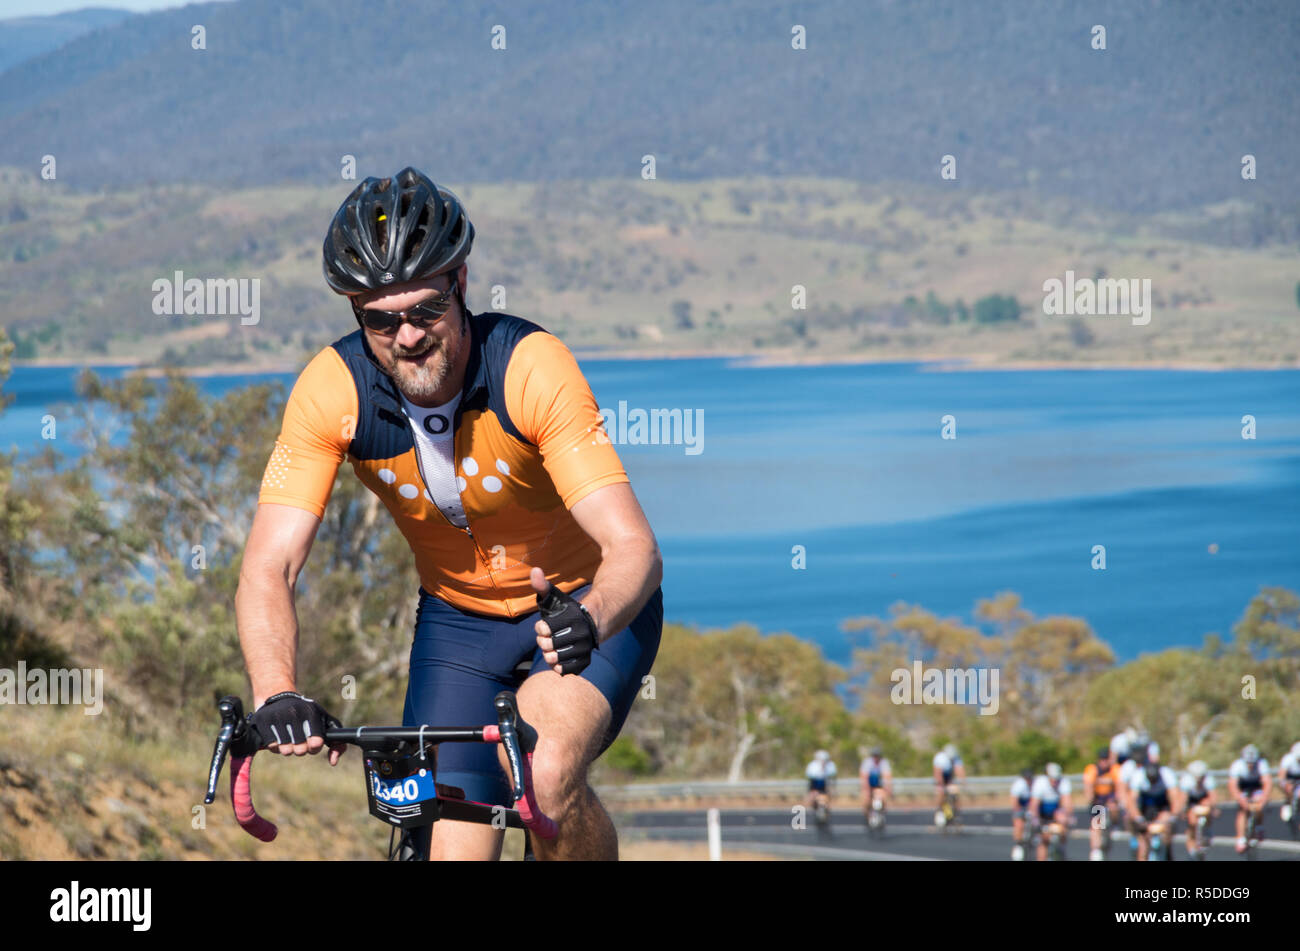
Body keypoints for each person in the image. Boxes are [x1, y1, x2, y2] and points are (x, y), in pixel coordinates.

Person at [235, 167, 664, 861]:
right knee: (445, 844)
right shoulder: (330, 391)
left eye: (425, 310)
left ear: (460, 284)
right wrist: (276, 690)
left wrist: (593, 615)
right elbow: (269, 565)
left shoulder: (529, 367)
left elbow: (635, 548)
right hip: (458, 632)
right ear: (356, 314)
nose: (407, 336)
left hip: (579, 610)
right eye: (381, 319)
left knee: (546, 776)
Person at [1129, 758, 1182, 860]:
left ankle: (1166, 849)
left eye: (1154, 779)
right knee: (1143, 844)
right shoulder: (1138, 776)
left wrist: (1173, 817)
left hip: (1162, 806)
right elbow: (1131, 801)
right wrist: (1138, 818)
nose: (1152, 782)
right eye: (1150, 779)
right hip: (1145, 807)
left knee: (1166, 826)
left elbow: (1175, 798)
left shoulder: (1167, 775)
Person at [1227, 743, 1272, 853]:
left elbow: (1267, 782)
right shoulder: (1237, 765)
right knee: (1242, 810)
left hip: (1257, 786)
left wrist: (1264, 797)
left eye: (1252, 763)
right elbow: (1232, 785)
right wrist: (1239, 798)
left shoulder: (1262, 764)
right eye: (1248, 763)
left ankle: (1259, 827)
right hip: (1243, 788)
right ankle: (1241, 838)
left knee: (1258, 806)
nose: (1250, 765)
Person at [1083, 746, 1121, 860]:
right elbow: (1088, 787)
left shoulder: (1115, 769)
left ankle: (1114, 824)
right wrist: (1091, 799)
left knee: (1113, 808)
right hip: (1098, 800)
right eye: (1102, 759)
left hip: (1110, 799)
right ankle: (1096, 850)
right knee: (1097, 824)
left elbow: (1120, 787)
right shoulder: (1092, 769)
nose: (1104, 762)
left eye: (1106, 759)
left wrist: (1116, 800)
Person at [1028, 762, 1072, 860]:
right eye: (1052, 779)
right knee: (1043, 841)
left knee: (1063, 821)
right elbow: (1034, 805)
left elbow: (1067, 803)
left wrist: (1068, 817)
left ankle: (1061, 846)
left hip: (1056, 812)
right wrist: (1036, 820)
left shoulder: (1064, 782)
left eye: (1056, 779)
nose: (1055, 782)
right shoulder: (1040, 783)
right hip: (1042, 813)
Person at [1180, 760, 1217, 857]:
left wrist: (1214, 808)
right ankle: (1192, 837)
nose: (1199, 779)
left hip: (1203, 799)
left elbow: (1212, 796)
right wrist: (1184, 811)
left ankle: (1207, 828)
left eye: (1201, 777)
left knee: (1207, 805)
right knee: (1192, 821)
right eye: (1196, 777)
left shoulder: (1209, 780)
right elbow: (1184, 799)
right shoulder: (1186, 781)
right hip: (1192, 802)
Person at [932, 742, 965, 824]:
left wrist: (962, 781)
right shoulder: (940, 758)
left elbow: (959, 770)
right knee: (941, 792)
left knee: (955, 792)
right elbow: (938, 774)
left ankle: (957, 813)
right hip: (942, 776)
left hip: (950, 777)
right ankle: (939, 811)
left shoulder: (956, 758)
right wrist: (941, 785)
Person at [859, 746, 892, 819]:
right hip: (869, 782)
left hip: (879, 783)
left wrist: (888, 788)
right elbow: (864, 777)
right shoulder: (867, 762)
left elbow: (887, 776)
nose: (876, 758)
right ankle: (866, 813)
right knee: (866, 799)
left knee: (883, 796)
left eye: (877, 756)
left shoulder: (884, 763)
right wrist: (866, 789)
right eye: (875, 756)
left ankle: (882, 812)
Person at [1010, 767, 1034, 861]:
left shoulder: (1035, 784)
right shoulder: (1018, 785)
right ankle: (1018, 845)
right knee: (1019, 824)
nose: (1028, 780)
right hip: (1020, 806)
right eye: (1026, 778)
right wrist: (1019, 812)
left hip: (1030, 806)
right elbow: (1014, 802)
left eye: (1030, 778)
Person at [806, 750, 837, 815]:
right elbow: (811, 777)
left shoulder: (830, 765)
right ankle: (816, 807)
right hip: (815, 782)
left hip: (825, 783)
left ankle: (826, 810)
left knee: (826, 798)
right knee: (813, 798)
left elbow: (832, 777)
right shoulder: (812, 765)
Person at [1276, 741, 1300, 824]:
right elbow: (1281, 776)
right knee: (1288, 788)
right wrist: (1285, 785)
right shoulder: (1288, 759)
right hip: (1290, 781)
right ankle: (1288, 803)